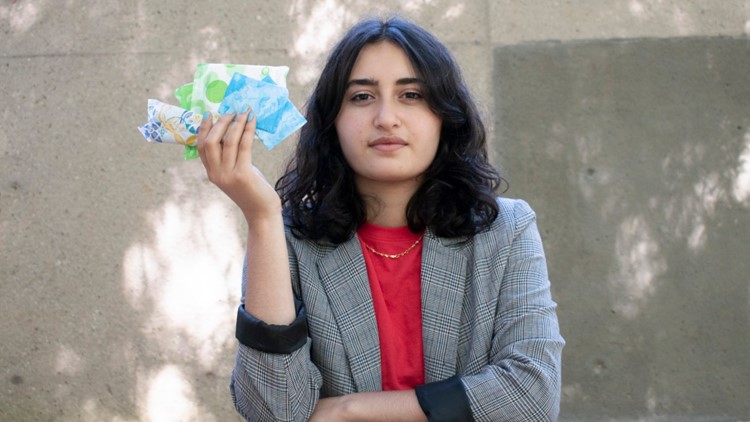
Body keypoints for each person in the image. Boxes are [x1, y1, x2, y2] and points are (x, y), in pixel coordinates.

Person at [196, 16, 564, 422]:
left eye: (411, 95)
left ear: (445, 116)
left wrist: (349, 410)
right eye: (362, 97)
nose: (387, 117)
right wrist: (262, 217)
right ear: (332, 121)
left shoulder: (506, 229)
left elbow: (532, 395)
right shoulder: (287, 240)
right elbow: (274, 412)